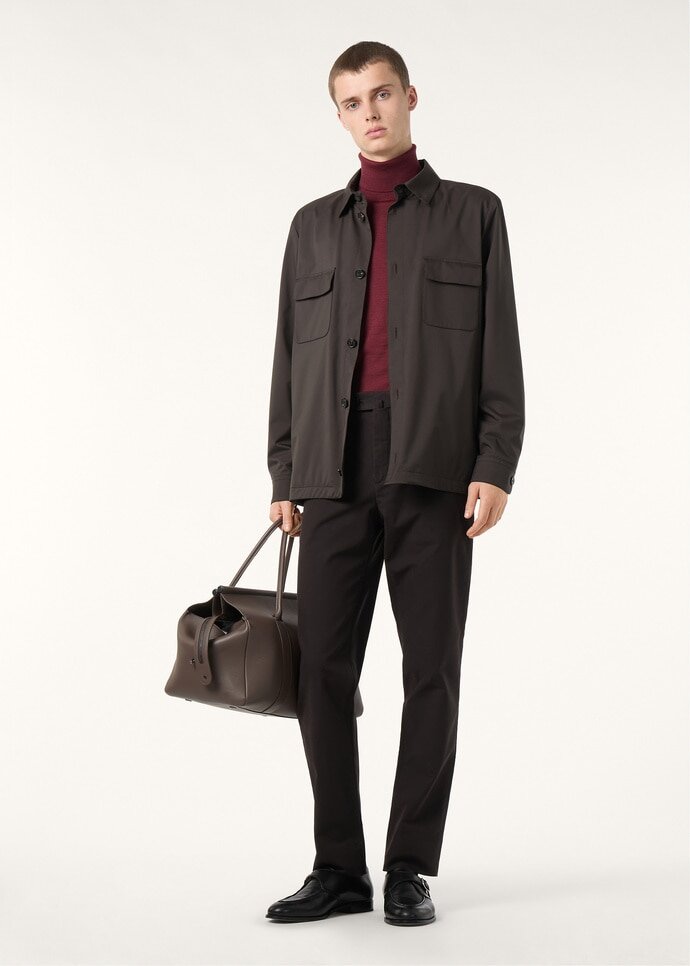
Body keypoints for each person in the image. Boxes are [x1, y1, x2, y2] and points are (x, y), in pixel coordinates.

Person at [265, 41, 525, 926]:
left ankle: (409, 865)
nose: (369, 113)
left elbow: (501, 348)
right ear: (338, 115)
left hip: (435, 467)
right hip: (331, 469)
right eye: (352, 102)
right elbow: (288, 358)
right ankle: (337, 868)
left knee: (431, 671)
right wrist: (284, 469)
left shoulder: (473, 213)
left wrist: (495, 463)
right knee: (319, 670)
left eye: (381, 95)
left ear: (411, 97)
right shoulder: (311, 226)